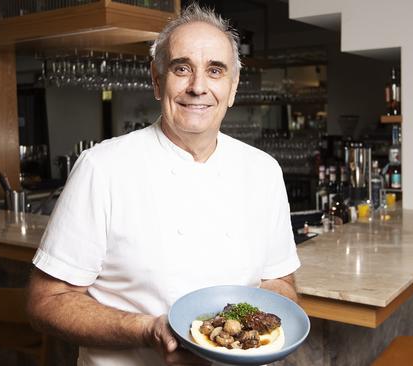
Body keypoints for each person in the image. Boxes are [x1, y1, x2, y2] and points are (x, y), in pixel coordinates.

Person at [26, 3, 300, 365]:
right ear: (157, 81)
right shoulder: (102, 168)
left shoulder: (263, 170)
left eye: (215, 71)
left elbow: (280, 283)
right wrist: (144, 329)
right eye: (181, 68)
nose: (198, 87)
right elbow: (46, 301)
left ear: (232, 89)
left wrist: (255, 333)